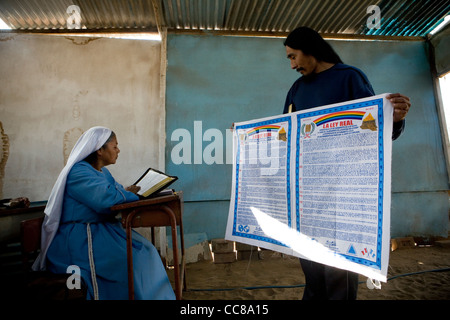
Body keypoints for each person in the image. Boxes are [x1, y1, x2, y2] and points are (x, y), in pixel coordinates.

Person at [283, 27, 411, 300]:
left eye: (294, 57)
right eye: (289, 59)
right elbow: (287, 136)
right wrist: (250, 137)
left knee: (338, 271)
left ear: (310, 49)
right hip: (310, 195)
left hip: (344, 194)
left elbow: (377, 128)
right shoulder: (296, 90)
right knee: (312, 268)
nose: (292, 65)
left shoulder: (350, 78)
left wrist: (395, 119)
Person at [32, 126, 175, 300]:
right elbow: (106, 198)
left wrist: (127, 192)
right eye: (115, 146)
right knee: (131, 261)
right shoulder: (78, 172)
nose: (118, 150)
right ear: (100, 149)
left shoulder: (103, 172)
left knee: (147, 251)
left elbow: (114, 191)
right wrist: (131, 194)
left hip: (103, 231)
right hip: (81, 237)